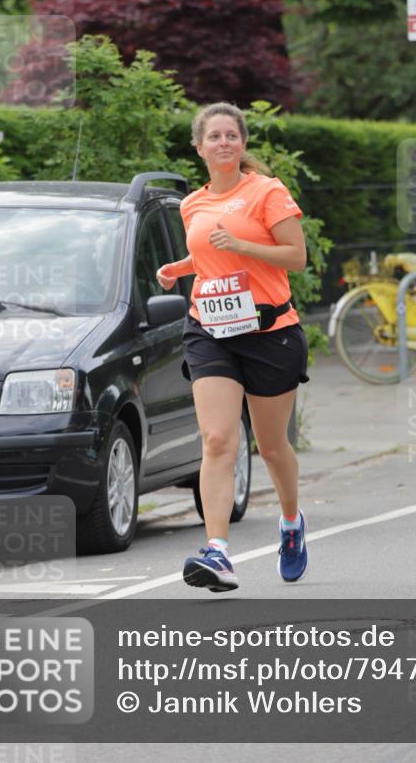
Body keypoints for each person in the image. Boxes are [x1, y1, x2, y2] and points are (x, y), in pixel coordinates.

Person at [156, 102, 310, 591]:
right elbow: (208, 253)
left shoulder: (267, 192)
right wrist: (179, 269)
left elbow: (296, 256)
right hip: (210, 330)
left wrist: (243, 246)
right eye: (214, 136)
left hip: (269, 332)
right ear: (198, 148)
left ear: (242, 144)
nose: (223, 143)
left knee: (272, 446)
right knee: (218, 439)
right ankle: (218, 550)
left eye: (231, 135)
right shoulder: (191, 204)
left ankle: (291, 522)